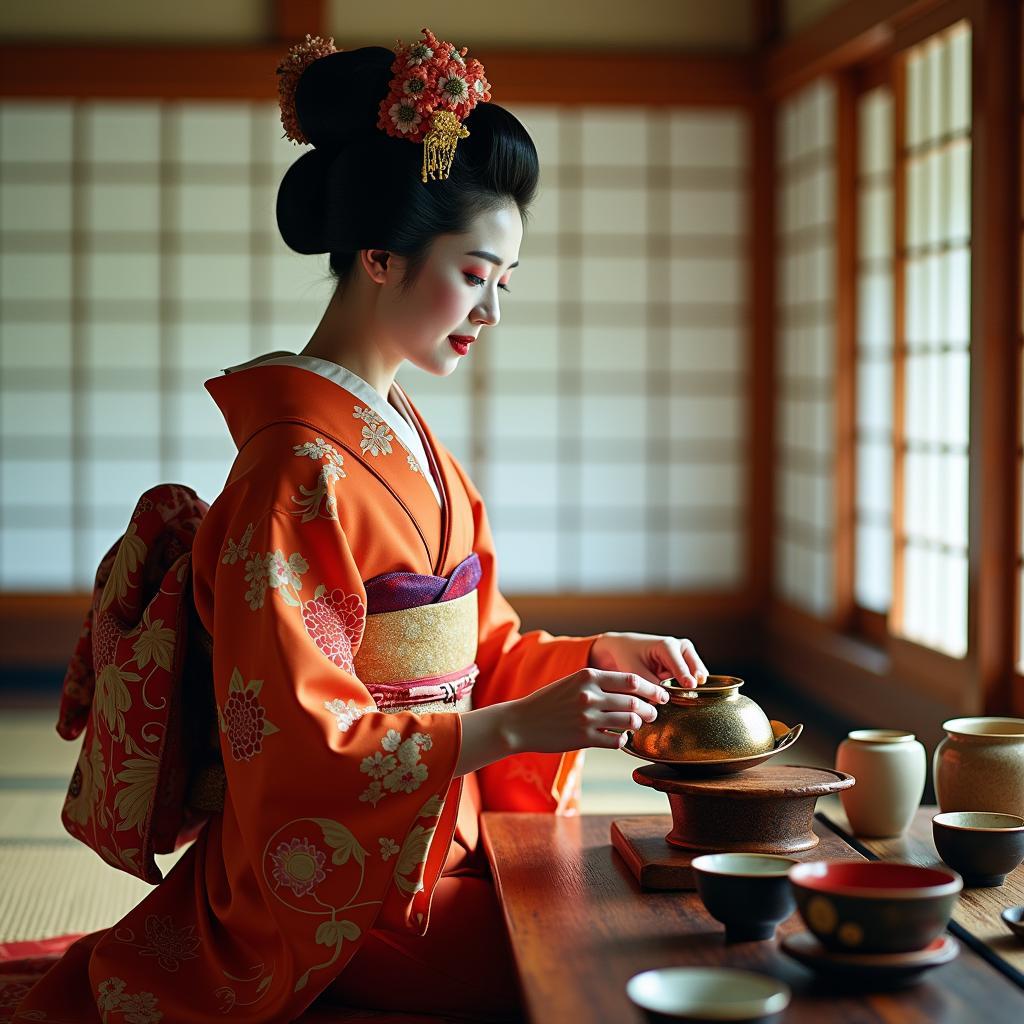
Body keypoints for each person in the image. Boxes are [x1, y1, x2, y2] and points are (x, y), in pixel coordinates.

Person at [9, 29, 707, 1023]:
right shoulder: (292, 470)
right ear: (378, 257)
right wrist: (514, 726)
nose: (491, 312)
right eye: (473, 273)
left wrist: (589, 662)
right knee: (585, 952)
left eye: (503, 283)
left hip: (433, 831)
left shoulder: (418, 448)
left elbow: (486, 646)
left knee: (616, 906)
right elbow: (294, 741)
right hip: (334, 881)